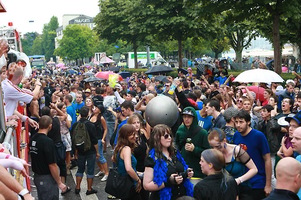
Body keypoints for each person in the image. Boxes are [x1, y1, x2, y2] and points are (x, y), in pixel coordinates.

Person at [143, 124, 194, 200]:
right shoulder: (152, 158)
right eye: (166, 136)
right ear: (157, 138)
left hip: (181, 195)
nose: (169, 138)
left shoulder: (175, 153)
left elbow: (178, 171)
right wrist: (168, 182)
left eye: (170, 135)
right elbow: (146, 185)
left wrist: (186, 173)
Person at [208, 128, 258, 199]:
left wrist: (238, 180)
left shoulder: (237, 151)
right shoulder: (214, 153)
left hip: (242, 190)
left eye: (217, 146)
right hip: (224, 191)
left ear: (224, 141)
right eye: (212, 147)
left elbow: (254, 169)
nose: (215, 150)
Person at [233, 110, 272, 199]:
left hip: (257, 182)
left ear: (248, 122)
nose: (238, 125)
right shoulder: (236, 135)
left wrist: (268, 184)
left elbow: (267, 159)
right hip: (242, 181)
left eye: (241, 122)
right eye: (236, 122)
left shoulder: (259, 136)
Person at [29, 115, 70, 200]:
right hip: (46, 178)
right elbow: (52, 165)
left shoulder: (33, 138)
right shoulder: (48, 142)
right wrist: (59, 182)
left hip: (37, 176)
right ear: (50, 126)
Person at [71, 106, 99, 195]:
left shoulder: (75, 124)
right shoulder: (90, 125)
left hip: (79, 150)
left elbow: (73, 139)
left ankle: (77, 187)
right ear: (88, 114)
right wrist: (97, 152)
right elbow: (94, 140)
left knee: (80, 169)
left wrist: (75, 152)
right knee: (90, 170)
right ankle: (89, 189)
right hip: (90, 150)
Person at [176, 107, 210, 178]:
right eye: (184, 116)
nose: (186, 119)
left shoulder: (203, 133)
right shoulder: (180, 130)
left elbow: (208, 153)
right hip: (183, 170)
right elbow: (176, 146)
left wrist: (194, 149)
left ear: (194, 118)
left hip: (197, 171)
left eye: (189, 117)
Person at [112, 124, 142, 200]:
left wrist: (137, 172)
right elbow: (128, 168)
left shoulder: (119, 147)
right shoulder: (126, 149)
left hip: (123, 185)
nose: (135, 136)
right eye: (132, 134)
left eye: (135, 134)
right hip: (130, 184)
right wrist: (138, 180)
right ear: (125, 136)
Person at [128, 113, 149, 200]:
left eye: (138, 122)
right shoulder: (129, 138)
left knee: (145, 195)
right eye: (134, 123)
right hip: (134, 172)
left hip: (144, 169)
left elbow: (147, 147)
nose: (136, 125)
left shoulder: (142, 134)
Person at [90, 104, 109, 182]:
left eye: (96, 108)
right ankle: (102, 170)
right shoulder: (91, 116)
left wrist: (103, 139)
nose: (95, 109)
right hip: (92, 139)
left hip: (98, 139)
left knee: (100, 156)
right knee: (96, 156)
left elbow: (105, 129)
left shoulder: (101, 118)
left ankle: (107, 173)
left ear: (100, 110)